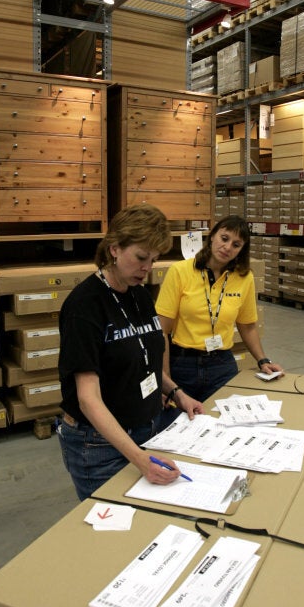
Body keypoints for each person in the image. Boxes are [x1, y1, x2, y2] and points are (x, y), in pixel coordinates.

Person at [57, 204, 203, 501]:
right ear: (114, 248)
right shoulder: (85, 306)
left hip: (145, 430)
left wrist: (177, 393)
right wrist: (139, 459)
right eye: (140, 257)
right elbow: (87, 399)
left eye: (154, 259)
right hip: (99, 445)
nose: (147, 268)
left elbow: (143, 361)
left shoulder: (139, 295)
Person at [155, 214, 284, 403]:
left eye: (236, 244)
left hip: (221, 365)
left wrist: (263, 360)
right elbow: (162, 331)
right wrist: (166, 382)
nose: (227, 247)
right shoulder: (180, 271)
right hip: (182, 364)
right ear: (213, 236)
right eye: (224, 239)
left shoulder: (244, 278)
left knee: (224, 421)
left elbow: (247, 326)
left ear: (241, 250)